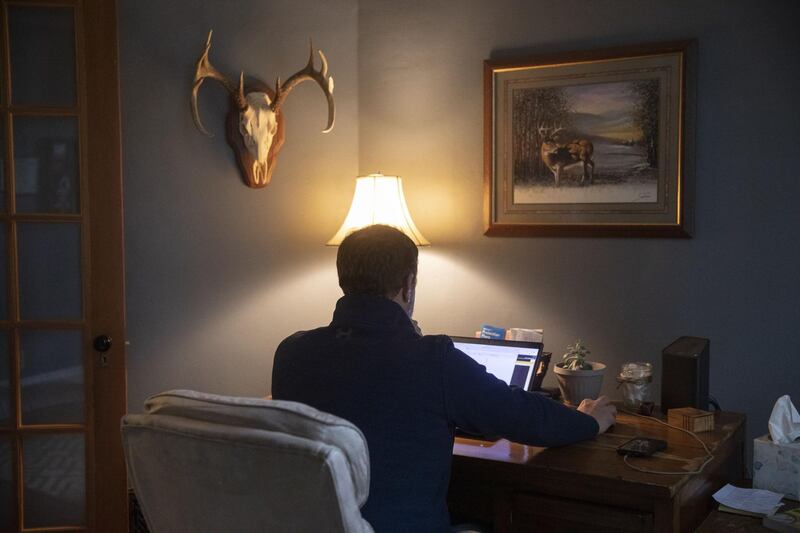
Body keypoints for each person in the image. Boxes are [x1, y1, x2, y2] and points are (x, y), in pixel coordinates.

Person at [271, 224, 616, 532]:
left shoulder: (291, 353)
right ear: (409, 285)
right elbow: (524, 417)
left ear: (342, 280)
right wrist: (588, 421)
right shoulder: (431, 361)